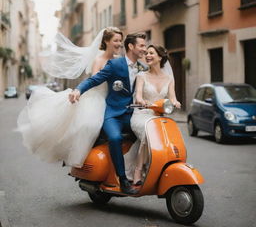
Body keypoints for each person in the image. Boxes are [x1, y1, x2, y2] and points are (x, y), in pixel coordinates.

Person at [17, 27, 123, 168]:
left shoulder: (120, 60)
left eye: (120, 41)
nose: (119, 44)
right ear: (106, 41)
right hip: (98, 97)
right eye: (116, 40)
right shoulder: (99, 60)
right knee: (89, 126)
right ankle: (90, 162)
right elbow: (95, 81)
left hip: (115, 98)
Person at [69, 32, 147, 194]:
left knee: (149, 134)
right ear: (131, 47)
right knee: (115, 137)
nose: (144, 49)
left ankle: (139, 172)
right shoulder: (114, 65)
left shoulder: (143, 67)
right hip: (113, 113)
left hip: (133, 114)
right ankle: (123, 180)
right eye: (141, 45)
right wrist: (78, 90)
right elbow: (94, 80)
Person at [130, 44, 181, 185]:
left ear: (160, 57)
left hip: (159, 116)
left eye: (151, 53)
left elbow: (172, 97)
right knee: (149, 133)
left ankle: (161, 168)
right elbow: (138, 96)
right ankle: (138, 171)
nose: (147, 55)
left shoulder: (169, 78)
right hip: (142, 114)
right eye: (146, 53)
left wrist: (176, 103)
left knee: (171, 138)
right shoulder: (141, 76)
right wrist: (142, 101)